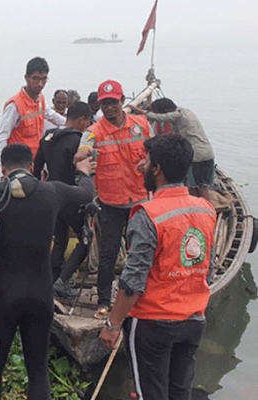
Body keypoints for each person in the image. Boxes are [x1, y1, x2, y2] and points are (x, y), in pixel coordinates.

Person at [0, 143, 95, 400]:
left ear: (3, 169)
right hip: (41, 295)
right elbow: (86, 194)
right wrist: (83, 171)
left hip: (3, 296)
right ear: (32, 166)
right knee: (38, 370)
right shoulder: (52, 191)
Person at [100, 134, 216, 400]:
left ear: (157, 169)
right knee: (180, 392)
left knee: (151, 394)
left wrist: (113, 323)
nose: (142, 164)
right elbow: (207, 270)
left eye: (147, 159)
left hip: (154, 323)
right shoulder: (207, 210)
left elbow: (134, 278)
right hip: (194, 320)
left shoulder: (148, 214)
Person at [73, 79, 154, 319]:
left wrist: (148, 161)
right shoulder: (93, 132)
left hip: (140, 202)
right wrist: (82, 155)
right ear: (99, 106)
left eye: (113, 102)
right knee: (108, 255)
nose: (109, 108)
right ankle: (104, 302)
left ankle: (144, 294)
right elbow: (81, 152)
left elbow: (154, 150)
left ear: (122, 101)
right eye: (104, 104)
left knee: (143, 250)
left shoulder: (141, 125)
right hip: (110, 204)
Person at [33, 101, 94, 293]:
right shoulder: (78, 142)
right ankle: (63, 280)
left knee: (60, 239)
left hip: (51, 194)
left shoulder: (48, 137)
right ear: (83, 120)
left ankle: (52, 281)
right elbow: (83, 171)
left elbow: (36, 168)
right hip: (72, 195)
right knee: (86, 239)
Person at [132, 98, 215, 201]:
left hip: (197, 156)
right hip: (208, 153)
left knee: (193, 187)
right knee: (203, 186)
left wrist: (137, 110)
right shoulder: (186, 111)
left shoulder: (177, 115)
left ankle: (197, 208)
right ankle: (208, 210)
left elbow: (158, 117)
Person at [0, 57, 66, 168]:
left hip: (35, 162)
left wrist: (73, 125)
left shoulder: (41, 99)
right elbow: (2, 137)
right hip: (17, 164)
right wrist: (2, 168)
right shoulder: (15, 105)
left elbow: (52, 116)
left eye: (44, 79)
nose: (40, 84)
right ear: (26, 78)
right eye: (36, 79)